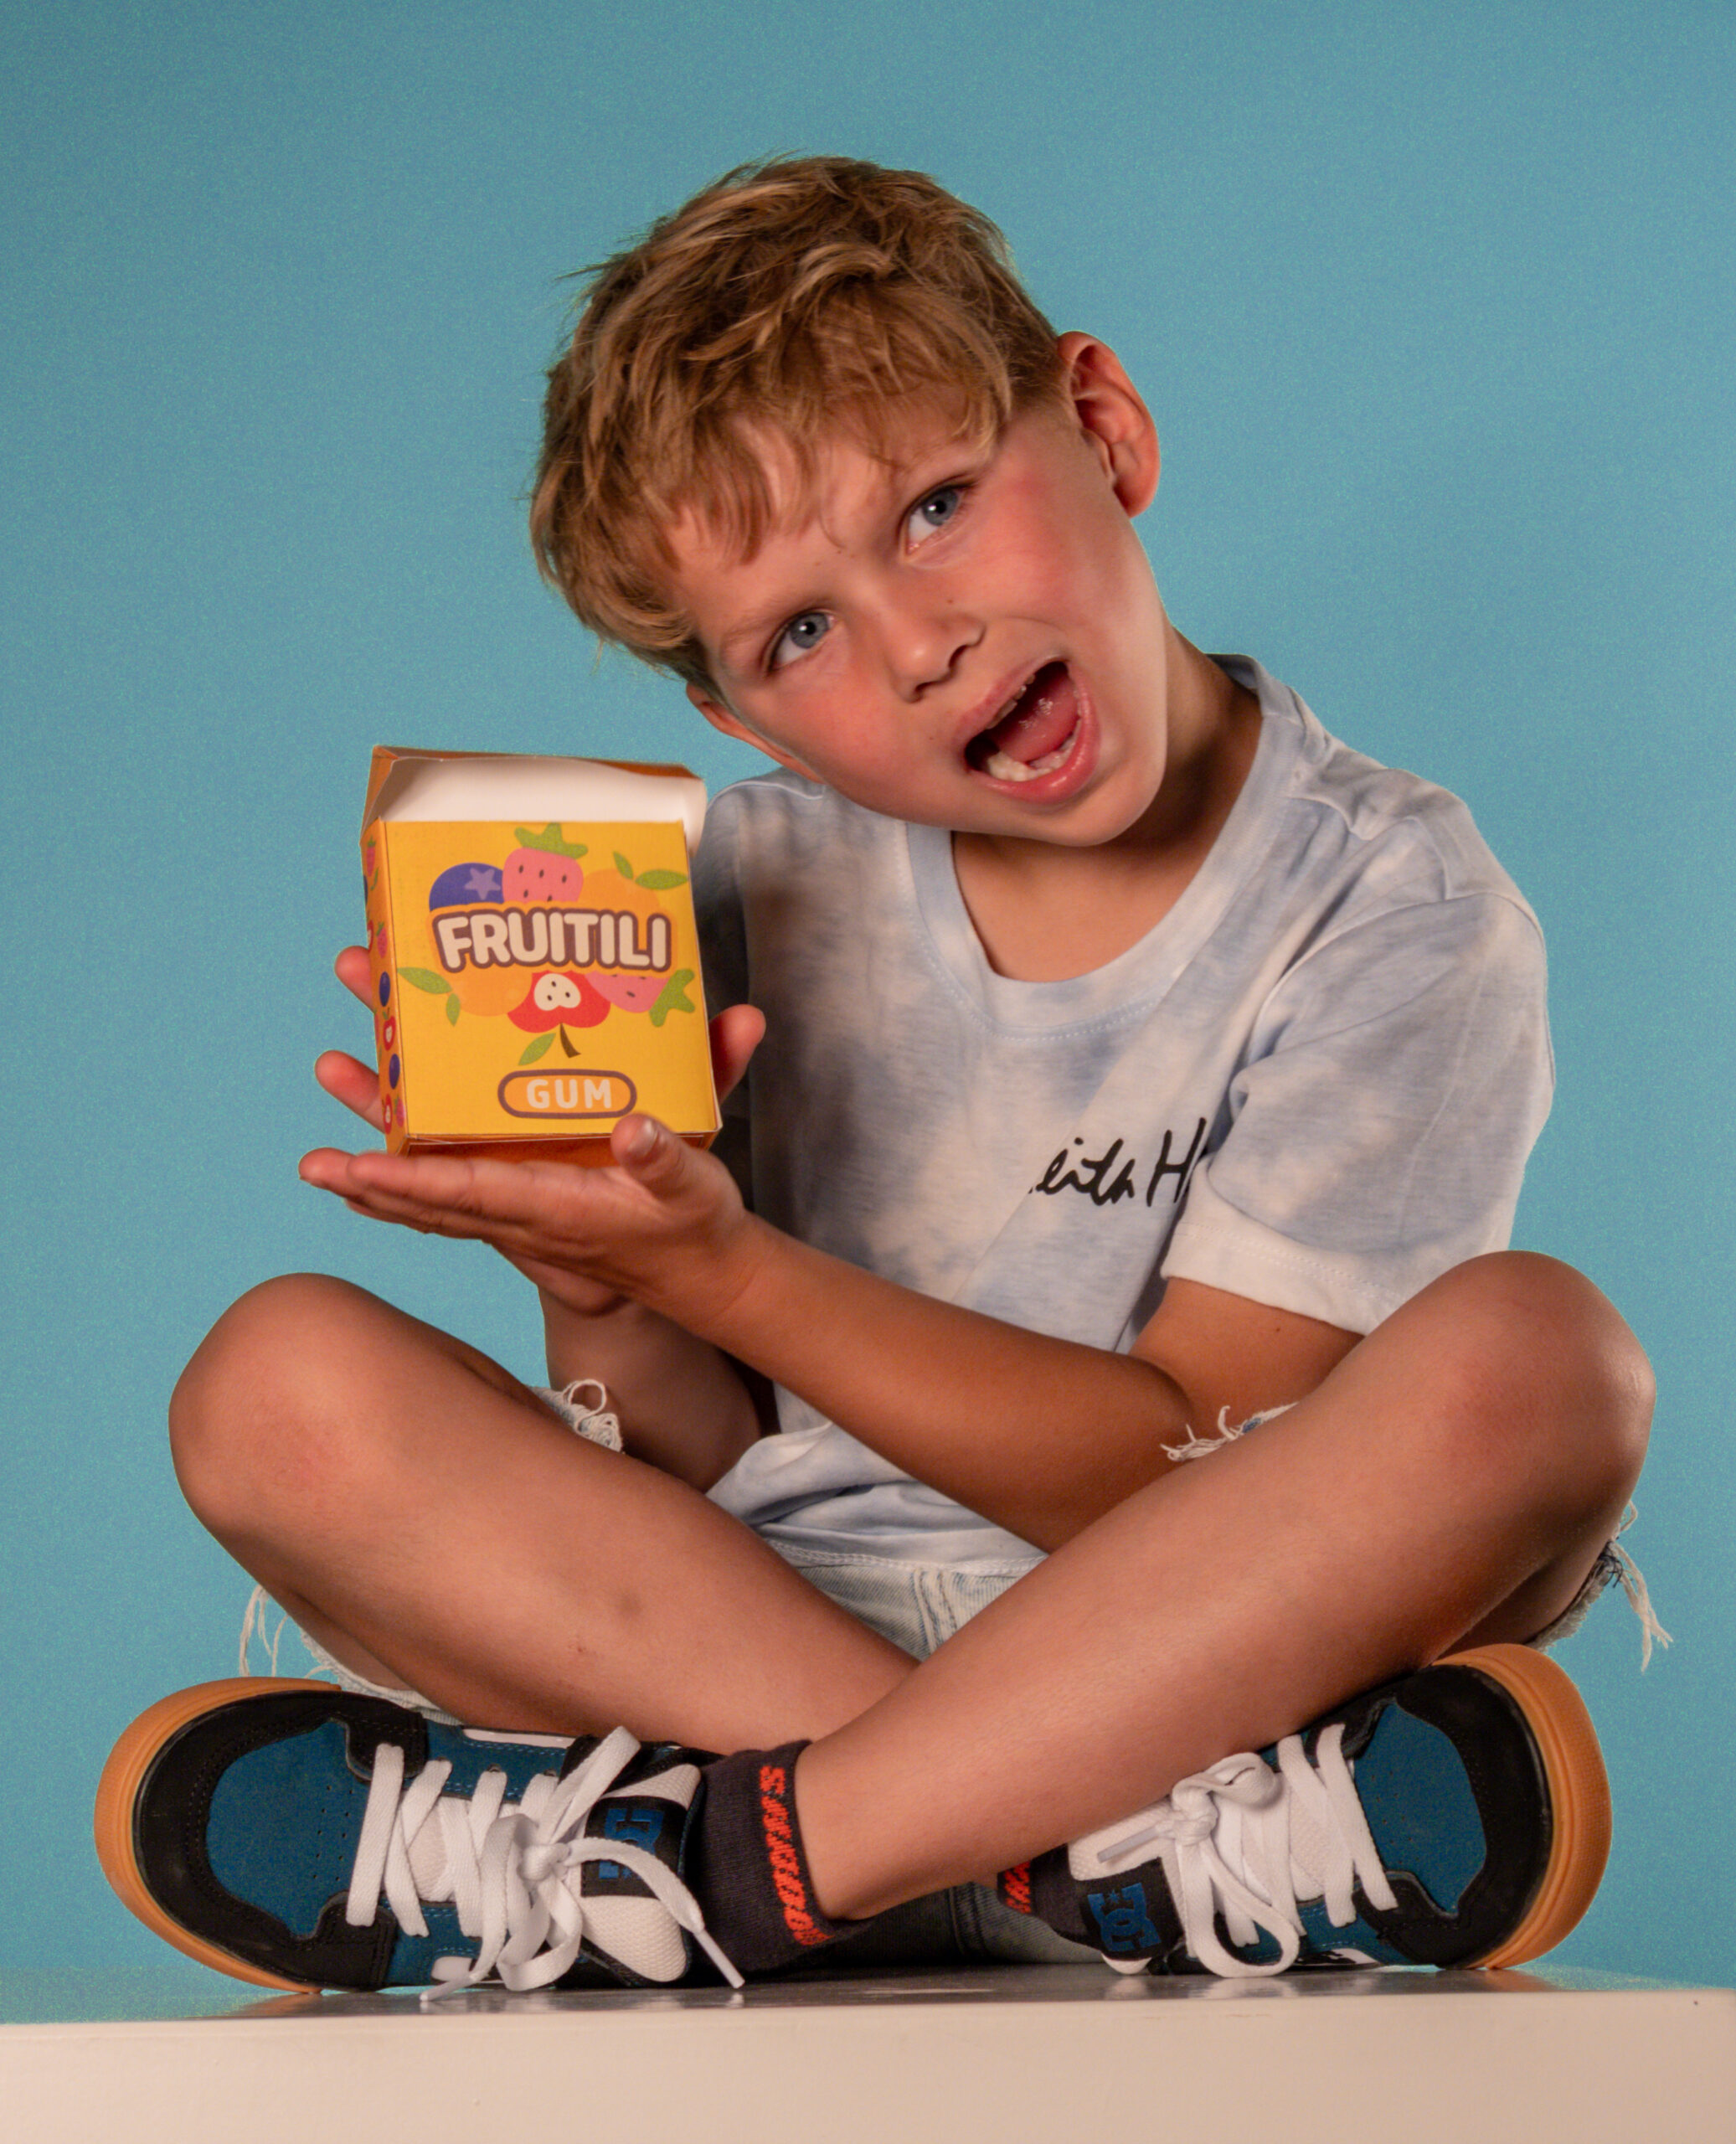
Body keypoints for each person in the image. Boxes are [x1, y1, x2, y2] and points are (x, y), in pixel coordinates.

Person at [95, 157, 1657, 1996]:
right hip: (749, 1646)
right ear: (733, 718)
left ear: (1101, 428)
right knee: (272, 1384)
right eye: (799, 635)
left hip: (1193, 1648)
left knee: (1542, 1361)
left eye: (933, 507)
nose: (921, 647)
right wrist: (600, 1276)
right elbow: (691, 1468)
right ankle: (1108, 1863)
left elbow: (1182, 1482)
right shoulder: (726, 889)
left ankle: (708, 1865)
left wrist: (728, 1269)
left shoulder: (1388, 901)